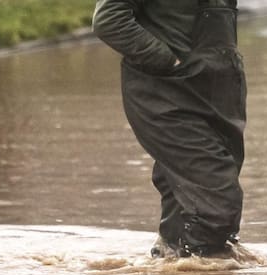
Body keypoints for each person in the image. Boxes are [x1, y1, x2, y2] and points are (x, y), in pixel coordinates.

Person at [92, 0, 247, 259]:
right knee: (217, 201)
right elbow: (109, 20)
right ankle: (201, 271)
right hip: (166, 93)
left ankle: (175, 265)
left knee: (188, 202)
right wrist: (166, 61)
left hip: (219, 92)